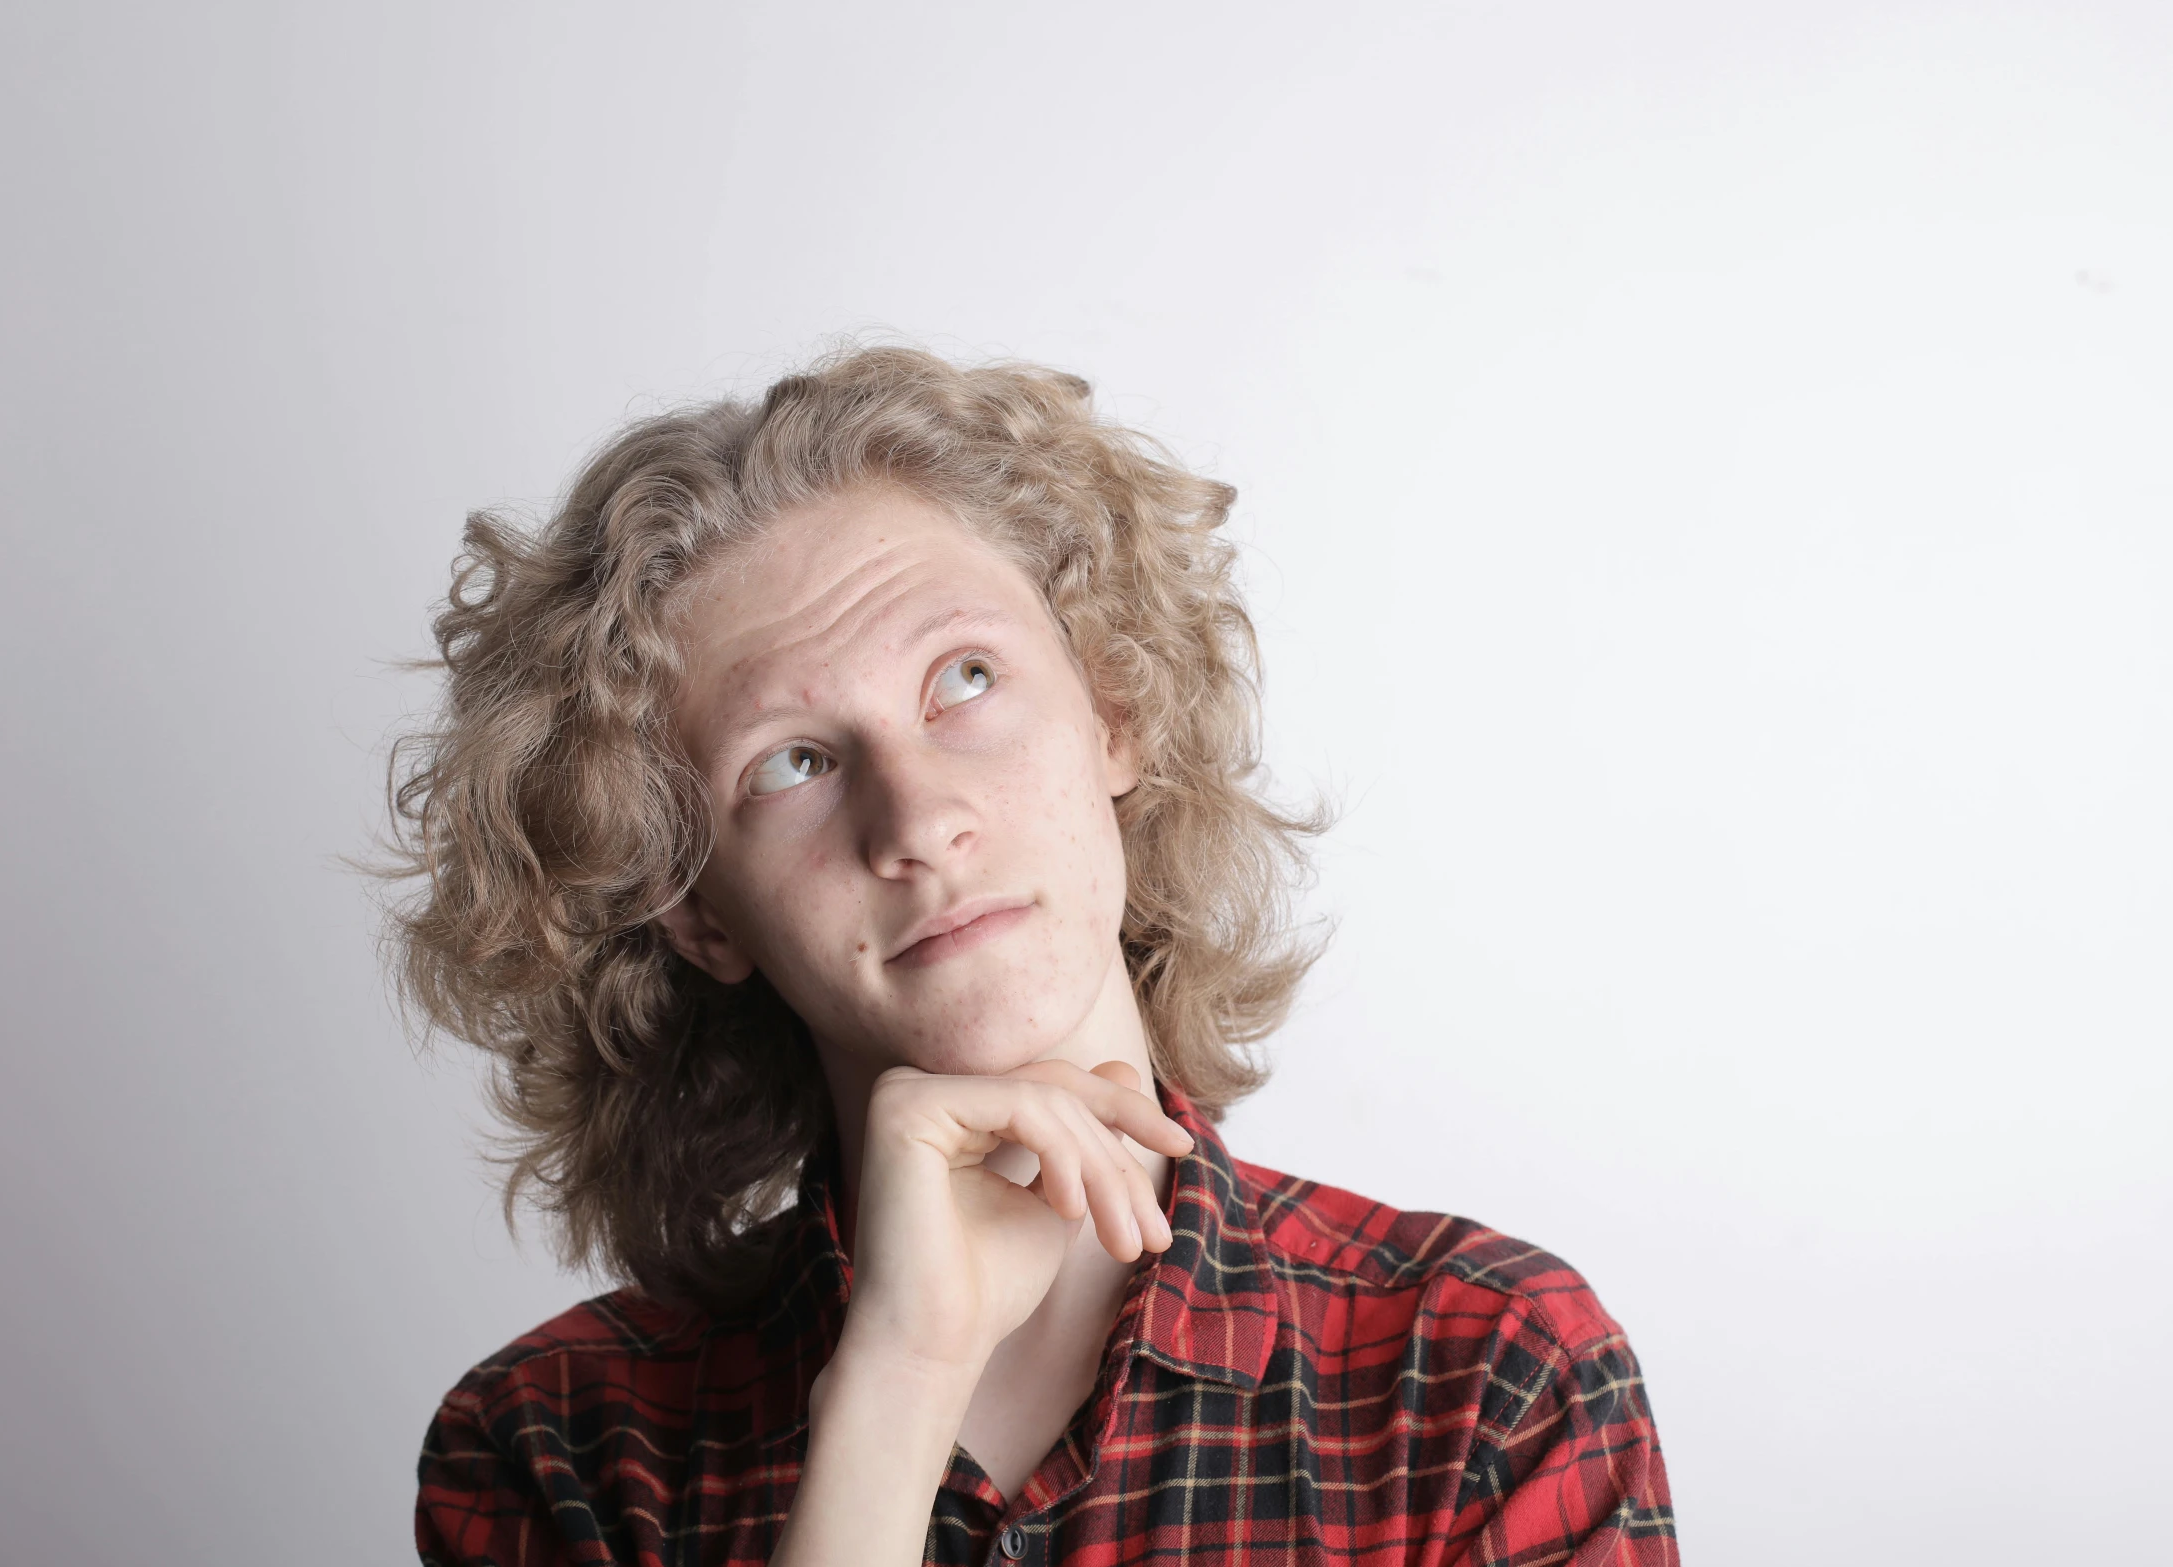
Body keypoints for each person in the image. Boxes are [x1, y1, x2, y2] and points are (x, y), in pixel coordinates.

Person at [390, 346, 1678, 1566]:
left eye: (963, 679)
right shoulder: (552, 1452)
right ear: (695, 911)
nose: (918, 821)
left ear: (1112, 712)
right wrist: (899, 1379)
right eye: (791, 763)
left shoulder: (1484, 1379)